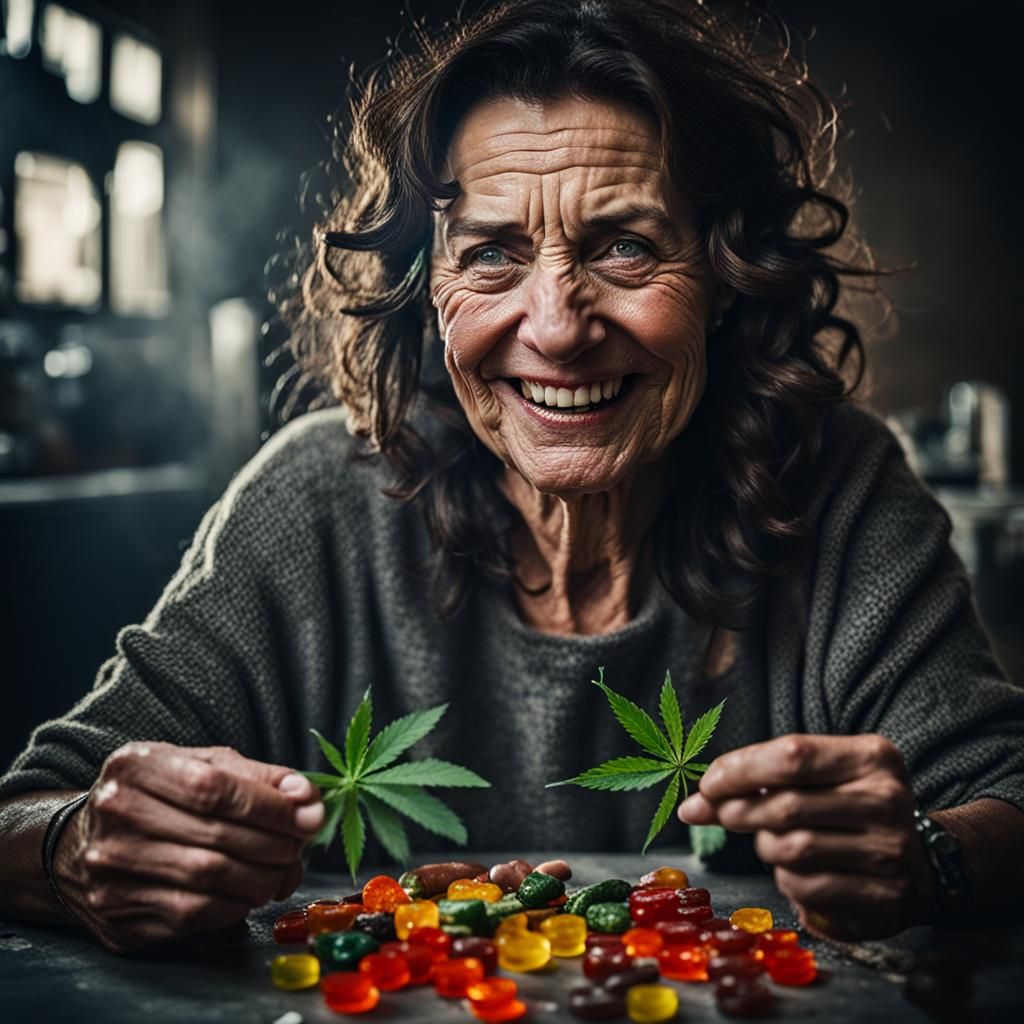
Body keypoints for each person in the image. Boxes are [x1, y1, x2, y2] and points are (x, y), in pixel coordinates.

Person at [2, 0, 1023, 954]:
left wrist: (931, 854)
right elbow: (28, 804)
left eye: (624, 246)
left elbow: (1005, 794)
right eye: (490, 253)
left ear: (722, 275)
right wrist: (76, 847)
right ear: (426, 294)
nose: (555, 326)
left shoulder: (837, 486)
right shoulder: (314, 501)